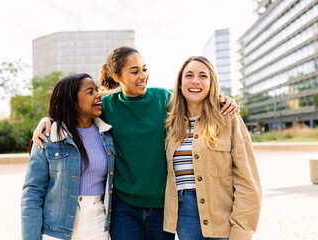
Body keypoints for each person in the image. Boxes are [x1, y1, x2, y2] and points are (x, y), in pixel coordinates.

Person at [32, 47, 240, 240]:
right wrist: (49, 121)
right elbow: (76, 111)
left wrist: (222, 99)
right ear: (117, 77)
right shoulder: (106, 105)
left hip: (162, 206)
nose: (143, 76)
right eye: (134, 71)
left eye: (144, 69)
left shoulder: (164, 98)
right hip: (124, 208)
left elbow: (196, 98)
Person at [163, 56, 262, 240]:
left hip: (223, 219)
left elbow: (248, 181)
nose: (195, 81)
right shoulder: (170, 124)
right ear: (179, 83)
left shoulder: (228, 118)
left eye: (203, 76)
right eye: (189, 75)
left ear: (211, 83)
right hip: (184, 218)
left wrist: (241, 230)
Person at [21, 73, 115, 240]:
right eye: (90, 91)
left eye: (97, 90)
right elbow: (32, 193)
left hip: (97, 223)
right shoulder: (48, 137)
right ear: (72, 101)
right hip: (57, 227)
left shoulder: (106, 134)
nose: (98, 94)